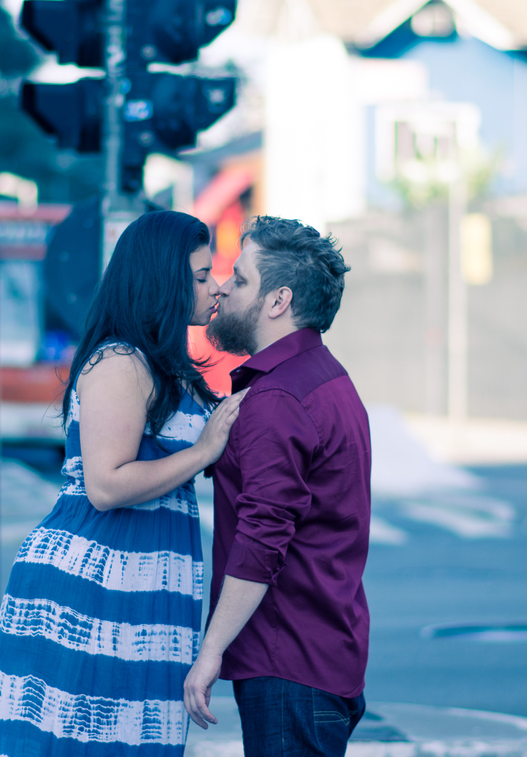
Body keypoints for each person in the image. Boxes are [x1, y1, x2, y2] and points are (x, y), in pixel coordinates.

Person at [0, 211, 248, 757]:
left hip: (143, 577)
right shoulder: (121, 361)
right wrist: (202, 452)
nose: (216, 286)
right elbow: (105, 484)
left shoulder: (165, 365)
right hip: (96, 584)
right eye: (201, 277)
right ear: (162, 282)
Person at [183, 216, 371, 757]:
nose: (223, 287)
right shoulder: (327, 377)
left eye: (240, 280)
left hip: (288, 663)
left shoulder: (278, 400)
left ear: (277, 299)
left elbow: (263, 538)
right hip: (323, 652)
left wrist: (211, 650)